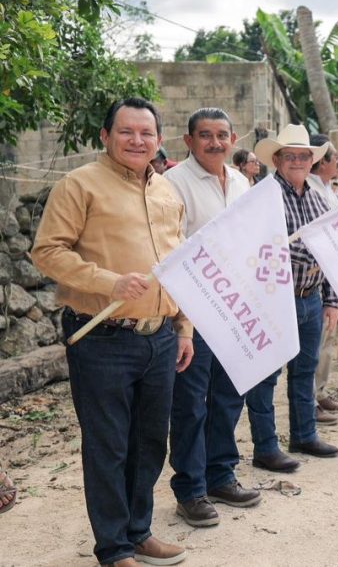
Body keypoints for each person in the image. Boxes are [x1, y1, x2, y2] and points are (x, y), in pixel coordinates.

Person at [31, 97, 193, 566]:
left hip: (159, 337)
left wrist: (183, 327)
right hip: (102, 337)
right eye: (126, 131)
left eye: (146, 133)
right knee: (109, 445)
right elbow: (47, 251)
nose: (137, 140)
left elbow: (180, 263)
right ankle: (114, 547)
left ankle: (139, 532)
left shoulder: (167, 192)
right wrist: (109, 282)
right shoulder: (79, 184)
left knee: (149, 442)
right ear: (105, 136)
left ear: (159, 140)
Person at [163, 108, 261, 529]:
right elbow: (171, 251)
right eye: (205, 135)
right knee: (190, 404)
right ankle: (190, 489)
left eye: (222, 135)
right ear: (188, 141)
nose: (215, 142)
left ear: (234, 140)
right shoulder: (173, 184)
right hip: (194, 312)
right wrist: (182, 321)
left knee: (228, 396)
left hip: (235, 309)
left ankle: (221, 474)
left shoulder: (240, 181)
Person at [246, 124, 338, 473]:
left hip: (310, 297)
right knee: (266, 375)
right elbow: (266, 248)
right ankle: (265, 447)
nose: (298, 161)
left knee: (304, 369)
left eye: (304, 156)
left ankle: (304, 434)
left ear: (311, 161)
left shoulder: (317, 197)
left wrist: (331, 300)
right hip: (274, 299)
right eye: (290, 156)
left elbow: (332, 249)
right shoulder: (263, 197)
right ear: (276, 159)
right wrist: (316, 252)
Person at [304, 135, 338, 425]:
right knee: (314, 345)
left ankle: (320, 391)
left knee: (326, 341)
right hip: (315, 279)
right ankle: (309, 399)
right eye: (335, 159)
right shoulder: (311, 190)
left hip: (330, 278)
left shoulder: (326, 188)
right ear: (322, 162)